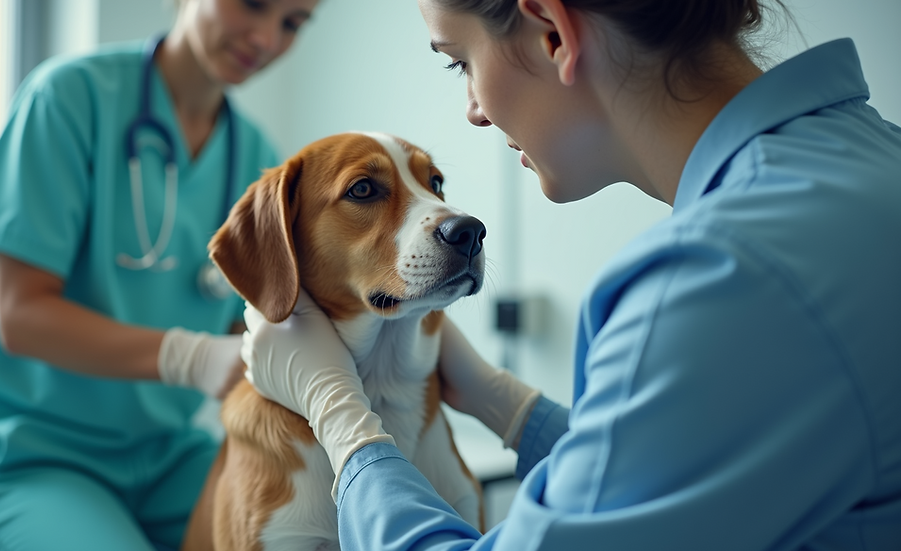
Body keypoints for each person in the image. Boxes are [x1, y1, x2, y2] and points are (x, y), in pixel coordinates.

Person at [241, 0, 901, 549]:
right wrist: (512, 407)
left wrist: (346, 425)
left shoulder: (720, 277)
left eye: (461, 61)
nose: (473, 107)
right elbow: (668, 474)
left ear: (552, 31)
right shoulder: (867, 160)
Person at [0, 0, 319, 550]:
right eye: (252, 4)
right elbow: (22, 317)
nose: (264, 38)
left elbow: (252, 325)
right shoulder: (68, 99)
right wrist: (190, 357)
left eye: (293, 23)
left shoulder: (255, 156)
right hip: (29, 452)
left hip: (168, 454)